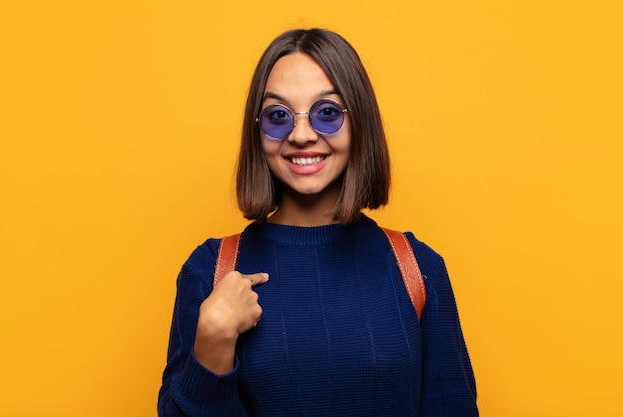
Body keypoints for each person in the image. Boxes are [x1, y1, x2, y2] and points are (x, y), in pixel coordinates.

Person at [158, 28, 478, 417]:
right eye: (278, 116)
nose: (302, 135)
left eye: (327, 113)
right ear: (257, 130)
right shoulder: (210, 271)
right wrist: (212, 343)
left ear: (359, 121)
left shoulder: (417, 268)